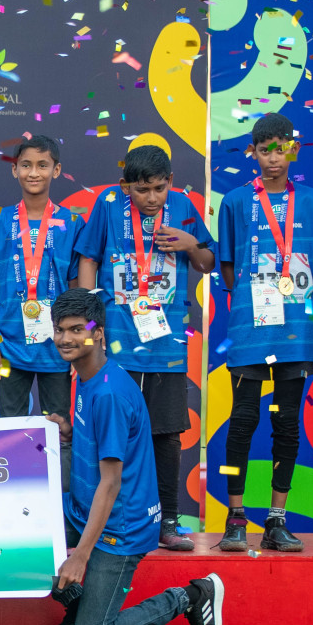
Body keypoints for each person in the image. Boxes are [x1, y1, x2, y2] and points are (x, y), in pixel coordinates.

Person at [37, 289, 224, 625]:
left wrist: (79, 556)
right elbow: (104, 442)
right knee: (21, 533)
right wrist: (69, 432)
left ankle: (192, 596)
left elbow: (110, 482)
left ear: (99, 333)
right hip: (83, 509)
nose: (65, 338)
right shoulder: (87, 376)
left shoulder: (109, 393)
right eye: (60, 330)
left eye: (77, 329)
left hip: (119, 527)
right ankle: (79, 605)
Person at [75, 144, 213, 552]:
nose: (151, 198)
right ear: (125, 186)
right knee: (114, 433)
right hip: (116, 343)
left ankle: (167, 519)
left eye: (158, 188)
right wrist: (87, 329)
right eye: (142, 190)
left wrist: (191, 242)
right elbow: (87, 259)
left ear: (170, 181)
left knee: (167, 433)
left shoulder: (185, 205)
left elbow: (206, 263)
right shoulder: (108, 204)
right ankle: (112, 517)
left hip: (166, 344)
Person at [215, 113, 313, 553]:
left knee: (287, 423)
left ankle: (276, 519)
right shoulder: (236, 202)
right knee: (242, 422)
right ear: (253, 153)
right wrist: (248, 297)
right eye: (265, 149)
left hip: (298, 334)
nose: (273, 157)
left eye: (281, 148)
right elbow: (228, 266)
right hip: (249, 331)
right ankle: (236, 517)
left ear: (292, 149)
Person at [0, 135, 83, 420]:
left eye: (43, 165)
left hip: (58, 344)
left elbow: (77, 287)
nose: (33, 172)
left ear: (56, 170)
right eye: (26, 165)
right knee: (12, 426)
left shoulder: (73, 223)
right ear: (14, 169)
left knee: (60, 428)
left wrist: (78, 340)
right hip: (8, 345)